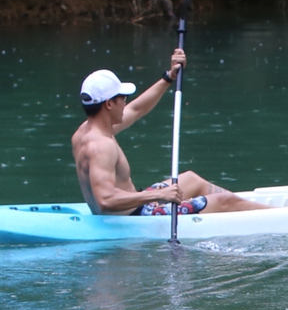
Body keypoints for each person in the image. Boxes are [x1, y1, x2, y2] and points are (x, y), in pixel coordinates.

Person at [72, 49, 270, 216]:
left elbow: (137, 109)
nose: (125, 103)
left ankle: (251, 206)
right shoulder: (101, 146)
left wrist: (169, 77)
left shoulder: (85, 132)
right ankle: (275, 214)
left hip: (134, 206)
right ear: (108, 104)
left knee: (191, 179)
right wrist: (159, 195)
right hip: (135, 218)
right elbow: (105, 199)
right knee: (224, 202)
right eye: (122, 97)